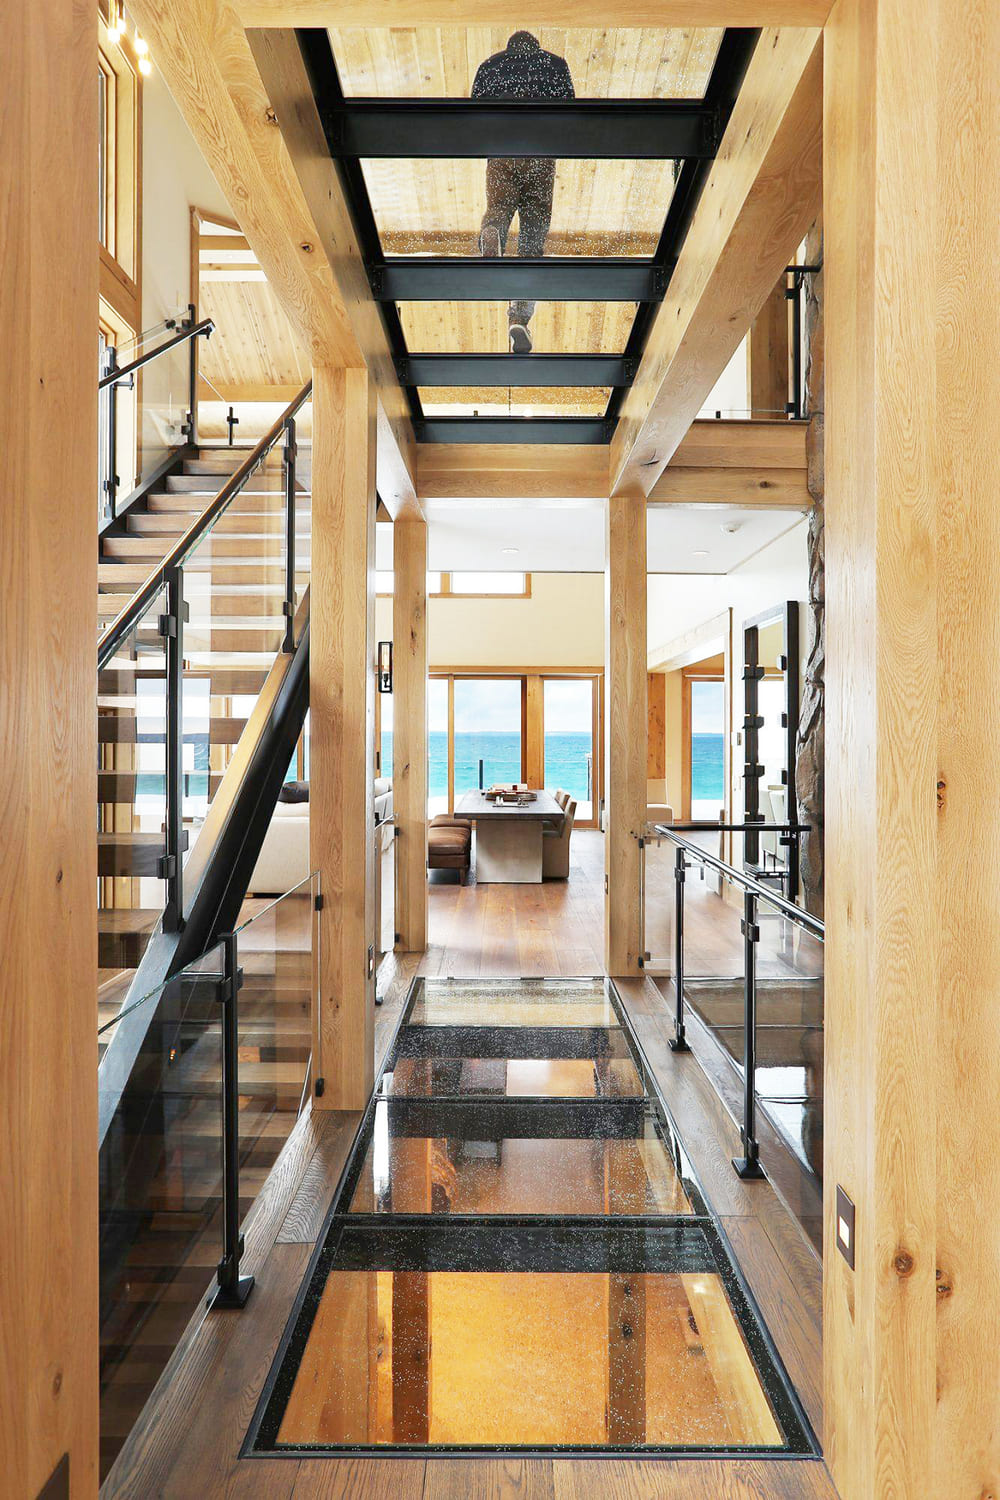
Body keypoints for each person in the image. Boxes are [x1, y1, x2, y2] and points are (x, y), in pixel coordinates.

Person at [472, 32, 574, 354]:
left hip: (502, 150)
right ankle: (519, 318)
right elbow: (569, 109)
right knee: (532, 238)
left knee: (498, 208)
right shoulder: (555, 65)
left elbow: (474, 112)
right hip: (541, 152)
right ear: (536, 46)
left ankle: (492, 235)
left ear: (509, 46)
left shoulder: (490, 66)